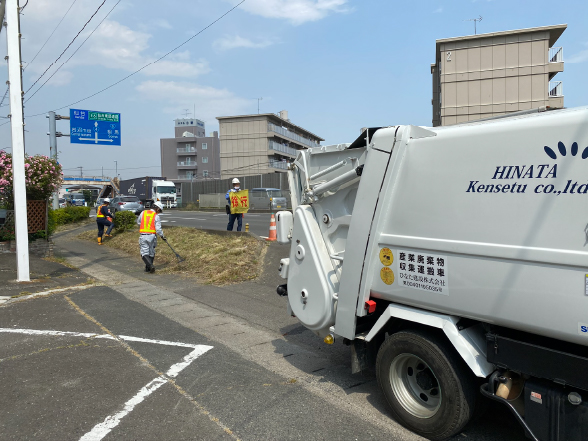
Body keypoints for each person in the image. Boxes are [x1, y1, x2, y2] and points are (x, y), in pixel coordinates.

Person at [136, 201, 165, 273]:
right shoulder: (156, 216)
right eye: (160, 210)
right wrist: (162, 236)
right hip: (152, 236)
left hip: (143, 235)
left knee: (144, 252)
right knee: (151, 252)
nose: (159, 212)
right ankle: (148, 268)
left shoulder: (143, 213)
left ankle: (150, 266)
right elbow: (158, 229)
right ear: (157, 209)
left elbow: (138, 222)